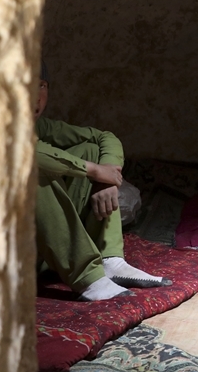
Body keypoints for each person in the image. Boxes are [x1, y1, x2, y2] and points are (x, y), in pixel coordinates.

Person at [35, 62, 169, 301]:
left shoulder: (40, 126)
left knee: (90, 149)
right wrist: (93, 171)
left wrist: (106, 176)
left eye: (41, 85)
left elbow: (104, 137)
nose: (35, 97)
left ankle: (109, 259)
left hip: (37, 253)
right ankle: (87, 277)